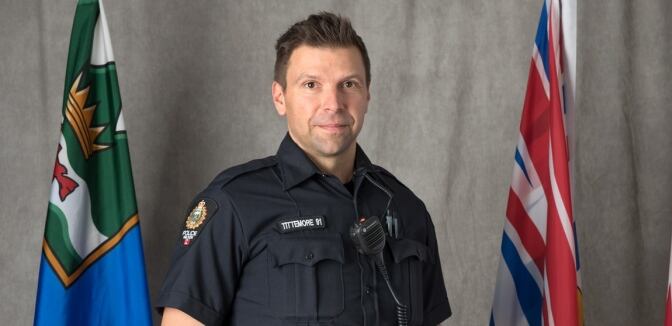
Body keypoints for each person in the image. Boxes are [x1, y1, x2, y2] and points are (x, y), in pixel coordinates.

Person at [156, 12, 452, 326]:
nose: (333, 103)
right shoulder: (233, 204)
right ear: (280, 97)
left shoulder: (406, 207)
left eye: (348, 84)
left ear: (367, 95)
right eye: (311, 84)